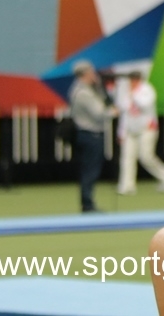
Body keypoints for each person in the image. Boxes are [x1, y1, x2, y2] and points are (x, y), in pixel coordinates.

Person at [68, 59, 115, 213]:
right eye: (91, 72)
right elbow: (99, 113)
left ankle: (88, 202)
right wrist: (112, 112)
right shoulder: (84, 93)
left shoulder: (82, 89)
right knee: (90, 171)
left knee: (89, 169)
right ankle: (87, 204)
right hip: (90, 135)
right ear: (86, 73)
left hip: (87, 135)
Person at [116, 72, 164, 195]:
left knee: (146, 157)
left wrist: (133, 94)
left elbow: (144, 105)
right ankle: (127, 186)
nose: (131, 83)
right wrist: (121, 132)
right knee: (127, 158)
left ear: (138, 80)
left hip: (147, 128)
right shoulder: (126, 92)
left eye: (133, 80)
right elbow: (124, 114)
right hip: (130, 130)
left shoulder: (147, 90)